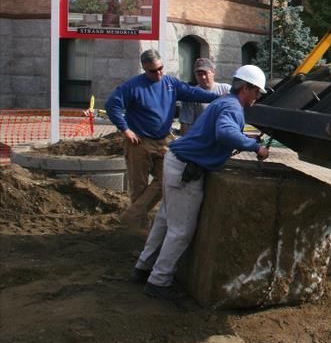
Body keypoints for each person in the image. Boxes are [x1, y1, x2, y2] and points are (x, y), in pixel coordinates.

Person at [131, 65, 270, 300]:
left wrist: (244, 138)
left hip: (176, 161)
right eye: (257, 92)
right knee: (181, 231)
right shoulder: (232, 106)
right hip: (186, 168)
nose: (257, 98)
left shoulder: (224, 102)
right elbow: (225, 132)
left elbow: (222, 130)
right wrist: (255, 147)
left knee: (165, 220)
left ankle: (143, 268)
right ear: (246, 88)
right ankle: (158, 282)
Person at [106, 49, 220, 229]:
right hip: (139, 142)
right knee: (139, 187)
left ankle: (129, 218)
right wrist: (125, 129)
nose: (158, 73)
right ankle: (138, 230)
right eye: (153, 71)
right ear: (144, 68)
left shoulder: (170, 83)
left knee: (168, 179)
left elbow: (193, 93)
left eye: (161, 68)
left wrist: (219, 97)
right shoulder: (133, 86)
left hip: (162, 141)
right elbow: (112, 105)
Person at [179, 58, 231, 135]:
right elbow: (185, 124)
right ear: (195, 75)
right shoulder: (191, 95)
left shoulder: (226, 89)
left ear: (213, 72)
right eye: (199, 74)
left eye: (205, 73)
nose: (203, 77)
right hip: (201, 139)